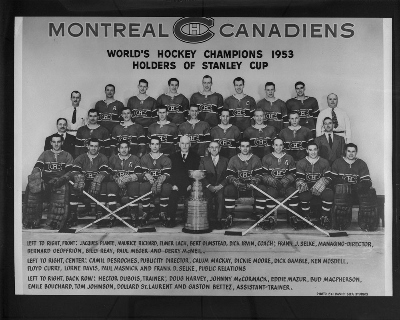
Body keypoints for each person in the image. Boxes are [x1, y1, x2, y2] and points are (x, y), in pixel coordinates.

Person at [23, 134, 73, 229]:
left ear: (62, 142)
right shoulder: (45, 154)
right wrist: (36, 178)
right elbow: (37, 167)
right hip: (46, 181)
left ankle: (54, 222)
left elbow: (70, 172)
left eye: (58, 142)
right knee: (32, 187)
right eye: (54, 142)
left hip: (59, 181)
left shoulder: (67, 155)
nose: (56, 144)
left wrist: (61, 180)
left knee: (61, 190)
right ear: (51, 143)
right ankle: (32, 220)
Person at [331, 143, 378, 231]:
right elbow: (333, 179)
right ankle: (341, 223)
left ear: (356, 152)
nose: (351, 153)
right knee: (343, 190)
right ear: (345, 151)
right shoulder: (338, 162)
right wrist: (346, 185)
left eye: (353, 151)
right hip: (342, 194)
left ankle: (367, 223)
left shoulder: (361, 163)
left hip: (357, 193)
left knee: (369, 192)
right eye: (349, 151)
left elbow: (367, 181)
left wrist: (358, 187)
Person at [224, 138, 266, 229]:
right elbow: (228, 175)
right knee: (228, 189)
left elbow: (259, 175)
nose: (245, 148)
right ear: (239, 147)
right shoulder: (233, 159)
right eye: (243, 146)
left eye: (247, 146)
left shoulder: (256, 159)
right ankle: (229, 215)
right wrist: (235, 182)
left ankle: (259, 214)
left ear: (250, 147)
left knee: (262, 189)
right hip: (238, 186)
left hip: (251, 186)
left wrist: (254, 182)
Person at [69, 138, 110, 227]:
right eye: (91, 146)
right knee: (74, 187)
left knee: (102, 186)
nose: (93, 148)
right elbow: (74, 170)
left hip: (97, 182)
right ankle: (73, 215)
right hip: (84, 182)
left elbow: (104, 172)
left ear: (99, 148)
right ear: (87, 146)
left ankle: (99, 214)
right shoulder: (81, 157)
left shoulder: (103, 158)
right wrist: (78, 177)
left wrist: (98, 178)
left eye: (96, 146)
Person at [261, 137, 299, 228]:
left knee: (293, 193)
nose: (278, 147)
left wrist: (288, 179)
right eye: (276, 145)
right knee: (270, 194)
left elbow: (293, 173)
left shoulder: (289, 158)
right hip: (273, 186)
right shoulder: (267, 158)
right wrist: (271, 180)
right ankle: (271, 217)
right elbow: (263, 175)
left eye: (281, 145)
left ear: (283, 146)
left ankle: (293, 216)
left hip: (286, 186)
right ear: (273, 146)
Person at [296, 141, 334, 229]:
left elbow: (329, 177)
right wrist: (300, 182)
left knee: (329, 194)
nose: (313, 152)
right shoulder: (301, 162)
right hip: (308, 185)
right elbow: (299, 177)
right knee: (303, 195)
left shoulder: (324, 162)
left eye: (315, 150)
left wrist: (324, 181)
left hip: (320, 186)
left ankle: (324, 217)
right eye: (310, 150)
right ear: (307, 151)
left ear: (318, 150)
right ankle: (306, 217)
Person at [167, 135, 201, 228]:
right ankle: (171, 219)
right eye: (182, 143)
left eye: (187, 144)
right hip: (176, 185)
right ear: (179, 144)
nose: (184, 146)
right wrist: (173, 184)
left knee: (190, 196)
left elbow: (197, 173)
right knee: (173, 195)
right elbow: (171, 173)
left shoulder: (196, 157)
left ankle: (188, 219)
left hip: (189, 185)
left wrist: (192, 184)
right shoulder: (172, 157)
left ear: (190, 144)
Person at [107, 141, 142, 227]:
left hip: (130, 183)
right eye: (121, 147)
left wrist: (128, 178)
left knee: (134, 186)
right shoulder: (113, 159)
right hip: (117, 183)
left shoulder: (135, 158)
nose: (124, 150)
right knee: (110, 186)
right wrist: (116, 179)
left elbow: (139, 174)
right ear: (118, 149)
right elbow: (108, 174)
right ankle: (113, 215)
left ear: (129, 148)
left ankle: (134, 215)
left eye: (126, 147)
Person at [140, 137, 173, 227]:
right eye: (153, 144)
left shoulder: (166, 159)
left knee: (166, 187)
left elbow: (167, 174)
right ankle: (146, 212)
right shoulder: (145, 158)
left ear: (160, 146)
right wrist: (149, 177)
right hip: (149, 182)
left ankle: (163, 213)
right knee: (143, 187)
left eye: (157, 144)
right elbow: (144, 173)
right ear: (149, 146)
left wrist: (159, 180)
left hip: (161, 183)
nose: (155, 146)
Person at [199, 141, 229, 230]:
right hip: (208, 186)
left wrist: (221, 185)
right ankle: (210, 220)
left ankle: (219, 220)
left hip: (220, 186)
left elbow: (228, 175)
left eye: (216, 147)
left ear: (219, 149)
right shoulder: (203, 160)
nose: (214, 149)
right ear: (208, 149)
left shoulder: (226, 160)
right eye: (212, 147)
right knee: (207, 197)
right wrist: (208, 186)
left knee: (220, 197)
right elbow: (201, 175)